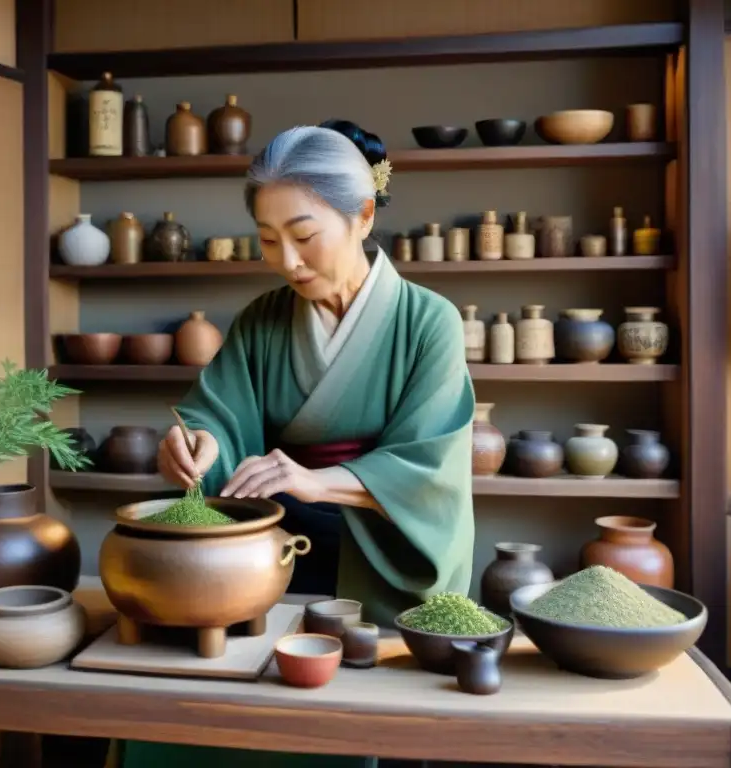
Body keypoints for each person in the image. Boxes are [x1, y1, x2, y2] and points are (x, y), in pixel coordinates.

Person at [120, 119, 475, 768]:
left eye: (304, 236)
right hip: (272, 542)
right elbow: (221, 413)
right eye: (268, 240)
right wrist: (198, 444)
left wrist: (316, 481)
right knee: (193, 683)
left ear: (363, 215)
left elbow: (430, 464)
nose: (286, 261)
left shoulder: (429, 322)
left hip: (381, 545)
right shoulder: (262, 319)